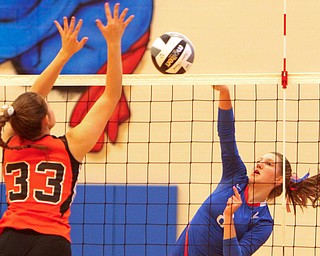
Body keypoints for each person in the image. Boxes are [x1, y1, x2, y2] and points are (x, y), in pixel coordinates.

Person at [0, 2, 134, 256]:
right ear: (47, 121)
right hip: (51, 242)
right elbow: (111, 95)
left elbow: (32, 98)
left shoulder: (9, 141)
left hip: (10, 240)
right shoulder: (70, 146)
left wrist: (63, 54)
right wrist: (114, 43)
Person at [170, 85, 320, 256]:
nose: (260, 164)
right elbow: (226, 135)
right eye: (260, 161)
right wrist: (224, 92)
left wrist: (228, 218)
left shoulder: (263, 222)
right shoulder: (235, 176)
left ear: (278, 179)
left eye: (269, 164)